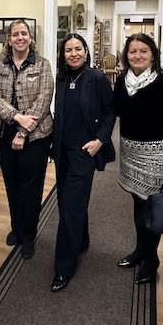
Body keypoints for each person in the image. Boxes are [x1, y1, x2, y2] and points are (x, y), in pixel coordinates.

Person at [114, 33, 163, 285]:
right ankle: (140, 251)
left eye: (143, 51)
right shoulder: (122, 83)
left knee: (151, 210)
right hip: (130, 154)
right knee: (138, 204)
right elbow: (115, 112)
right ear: (126, 56)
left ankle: (151, 260)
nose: (137, 56)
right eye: (132, 51)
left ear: (153, 55)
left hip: (156, 157)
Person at [50, 33, 115, 292]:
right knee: (66, 201)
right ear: (63, 55)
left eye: (78, 49)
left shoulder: (96, 78)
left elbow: (110, 112)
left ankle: (63, 268)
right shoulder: (61, 78)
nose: (73, 54)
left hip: (84, 152)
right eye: (68, 50)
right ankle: (81, 241)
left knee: (72, 206)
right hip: (62, 151)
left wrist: (100, 140)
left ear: (86, 52)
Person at [0, 19, 54, 260]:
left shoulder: (42, 65)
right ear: (9, 39)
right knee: (11, 182)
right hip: (3, 133)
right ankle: (16, 227)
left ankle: (28, 234)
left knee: (30, 186)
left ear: (30, 37)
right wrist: (15, 116)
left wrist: (23, 131)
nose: (20, 38)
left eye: (24, 33)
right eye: (15, 34)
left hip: (36, 135)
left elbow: (44, 99)